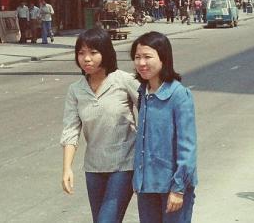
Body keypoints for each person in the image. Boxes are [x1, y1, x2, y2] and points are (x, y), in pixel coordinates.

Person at [60, 28, 140, 223]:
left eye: (93, 53)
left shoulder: (123, 80)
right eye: (81, 53)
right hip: (94, 168)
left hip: (124, 164)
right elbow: (71, 130)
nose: (87, 59)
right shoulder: (76, 90)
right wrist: (67, 168)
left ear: (106, 53)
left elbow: (151, 113)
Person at [130, 31, 197, 223]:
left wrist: (178, 189)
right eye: (137, 57)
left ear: (163, 59)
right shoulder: (144, 92)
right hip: (147, 187)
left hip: (172, 188)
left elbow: (187, 147)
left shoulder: (178, 95)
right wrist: (138, 179)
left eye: (147, 57)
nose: (141, 63)